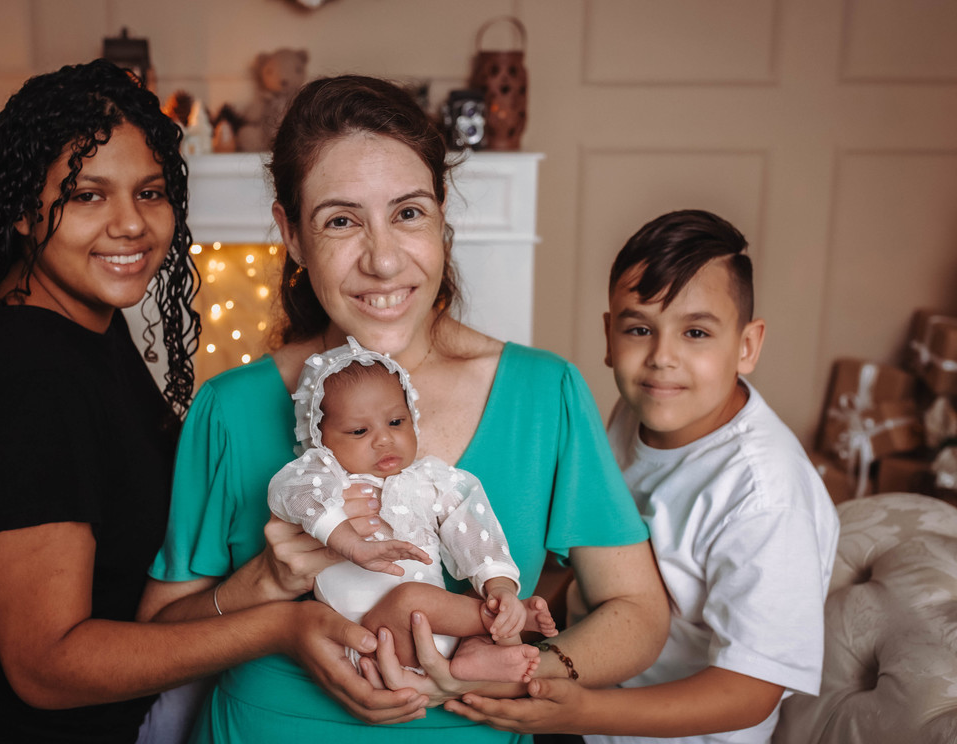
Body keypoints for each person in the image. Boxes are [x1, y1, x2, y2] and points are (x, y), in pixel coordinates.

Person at [0, 60, 406, 744]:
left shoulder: (81, 329)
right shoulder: (25, 381)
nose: (130, 224)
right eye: (87, 195)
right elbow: (46, 667)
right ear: (22, 210)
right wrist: (280, 627)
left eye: (150, 192)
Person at [143, 74, 670, 743]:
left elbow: (639, 613)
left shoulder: (544, 395)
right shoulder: (230, 408)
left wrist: (520, 671)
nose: (384, 260)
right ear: (292, 235)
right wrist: (266, 589)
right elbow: (155, 639)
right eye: (341, 221)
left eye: (408, 213)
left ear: (442, 215)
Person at [446, 210, 841, 743]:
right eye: (639, 329)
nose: (661, 358)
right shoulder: (634, 415)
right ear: (610, 336)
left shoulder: (765, 494)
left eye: (696, 332)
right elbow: (596, 561)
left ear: (747, 345)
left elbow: (753, 690)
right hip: (582, 699)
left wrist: (579, 713)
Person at [268, 338, 559, 683]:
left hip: (439, 627)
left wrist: (500, 588)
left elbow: (473, 528)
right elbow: (290, 492)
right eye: (359, 431)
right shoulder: (325, 479)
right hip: (371, 639)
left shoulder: (428, 480)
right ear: (320, 438)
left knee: (469, 594)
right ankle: (498, 620)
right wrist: (353, 545)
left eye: (396, 422)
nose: (384, 439)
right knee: (410, 599)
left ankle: (475, 650)